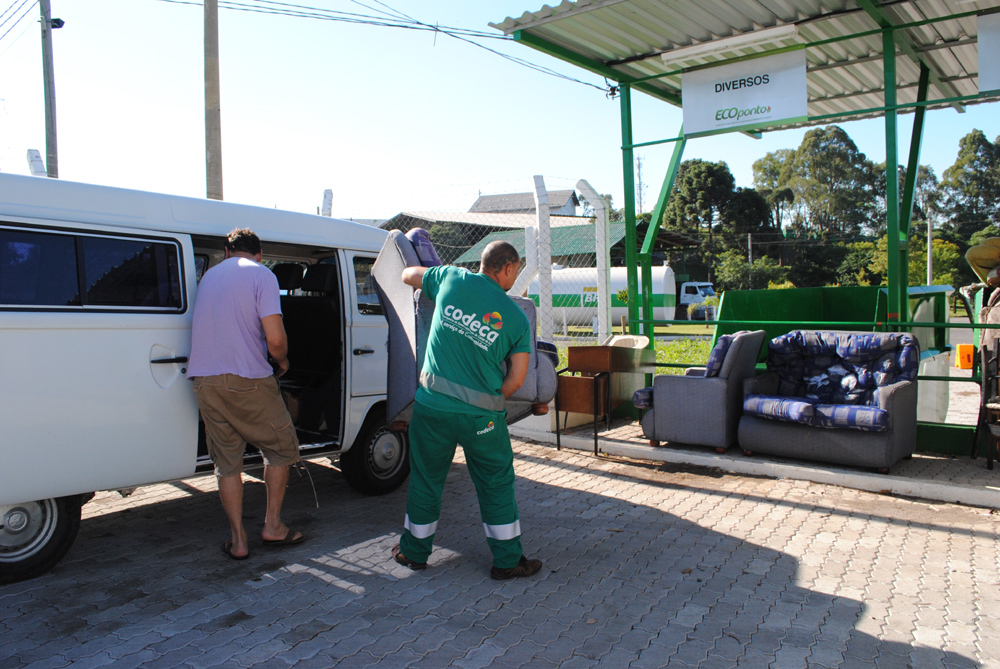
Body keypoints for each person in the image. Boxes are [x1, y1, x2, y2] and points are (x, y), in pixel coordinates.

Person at [392, 240, 542, 580]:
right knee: (495, 485)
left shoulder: (450, 278)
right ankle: (507, 562)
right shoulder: (516, 319)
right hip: (482, 419)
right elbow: (517, 380)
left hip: (431, 408)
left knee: (427, 481)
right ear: (506, 268)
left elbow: (406, 274)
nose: (514, 278)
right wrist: (489, 399)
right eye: (515, 271)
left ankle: (413, 554)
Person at [188, 228, 305, 560]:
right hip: (248, 380)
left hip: (204, 381)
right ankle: (273, 527)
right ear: (260, 253)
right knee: (281, 449)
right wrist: (281, 361)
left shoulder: (208, 277)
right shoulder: (262, 276)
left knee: (226, 463)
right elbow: (276, 340)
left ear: (227, 252)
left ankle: (238, 541)